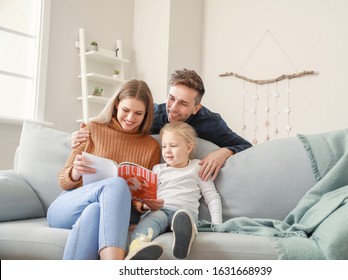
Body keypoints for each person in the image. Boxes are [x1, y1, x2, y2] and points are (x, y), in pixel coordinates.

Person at [47, 79, 163, 260]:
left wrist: (143, 203)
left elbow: (142, 194)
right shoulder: (92, 129)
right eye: (126, 110)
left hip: (103, 211)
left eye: (138, 113)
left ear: (146, 113)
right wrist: (75, 172)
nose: (131, 118)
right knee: (116, 184)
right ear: (116, 105)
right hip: (68, 206)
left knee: (94, 211)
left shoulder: (151, 146)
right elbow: (62, 180)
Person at [71, 69, 252, 181]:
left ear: (197, 108)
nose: (172, 108)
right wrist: (83, 134)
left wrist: (224, 151)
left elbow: (246, 147)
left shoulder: (211, 122)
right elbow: (116, 123)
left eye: (183, 103)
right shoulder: (154, 113)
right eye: (171, 98)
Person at [126, 121, 223, 260]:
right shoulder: (157, 170)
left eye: (173, 146)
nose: (167, 150)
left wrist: (217, 225)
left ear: (189, 148)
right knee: (151, 221)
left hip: (184, 212)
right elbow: (149, 198)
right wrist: (148, 204)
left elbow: (212, 197)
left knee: (183, 217)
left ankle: (183, 239)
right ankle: (137, 248)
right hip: (160, 210)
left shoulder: (198, 167)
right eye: (164, 146)